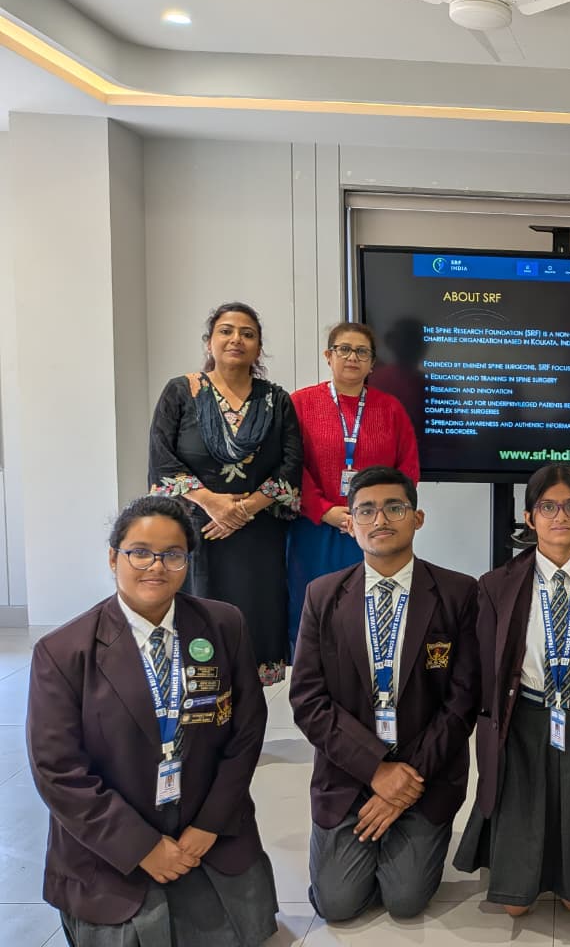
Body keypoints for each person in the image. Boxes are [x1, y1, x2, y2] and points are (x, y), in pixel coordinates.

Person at [28, 495, 279, 946]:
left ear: (187, 561)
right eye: (140, 552)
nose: (156, 567)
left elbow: (247, 730)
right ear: (113, 557)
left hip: (208, 829)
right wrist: (140, 846)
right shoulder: (63, 651)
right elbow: (57, 770)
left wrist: (209, 823)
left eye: (172, 554)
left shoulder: (224, 625)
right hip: (109, 845)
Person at [290, 465, 480, 920]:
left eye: (395, 507)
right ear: (350, 523)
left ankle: (405, 838)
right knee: (337, 904)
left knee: (405, 900)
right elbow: (308, 700)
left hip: (425, 774)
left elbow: (463, 699)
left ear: (417, 518)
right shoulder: (323, 595)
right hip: (347, 773)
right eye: (366, 510)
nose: (380, 520)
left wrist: (406, 781)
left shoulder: (458, 592)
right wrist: (376, 770)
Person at [454, 463, 570, 916]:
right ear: (529, 517)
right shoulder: (496, 585)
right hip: (525, 719)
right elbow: (484, 669)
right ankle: (521, 877)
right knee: (516, 904)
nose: (561, 516)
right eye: (548, 507)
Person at [148, 302, 303, 686]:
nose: (236, 339)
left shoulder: (276, 400)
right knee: (198, 628)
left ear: (259, 348)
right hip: (196, 534)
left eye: (247, 334)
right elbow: (161, 462)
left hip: (257, 536)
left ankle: (248, 716)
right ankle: (197, 712)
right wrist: (212, 502)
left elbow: (290, 466)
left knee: (254, 626)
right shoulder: (181, 392)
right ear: (209, 342)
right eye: (226, 331)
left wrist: (244, 509)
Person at [287, 322, 419, 654]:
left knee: (370, 617)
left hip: (376, 529)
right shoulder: (300, 404)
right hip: (315, 528)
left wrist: (385, 514)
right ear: (328, 356)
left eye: (362, 352)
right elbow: (290, 465)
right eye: (344, 349)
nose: (352, 358)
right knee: (314, 615)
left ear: (372, 363)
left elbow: (407, 469)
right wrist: (325, 511)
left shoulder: (391, 409)